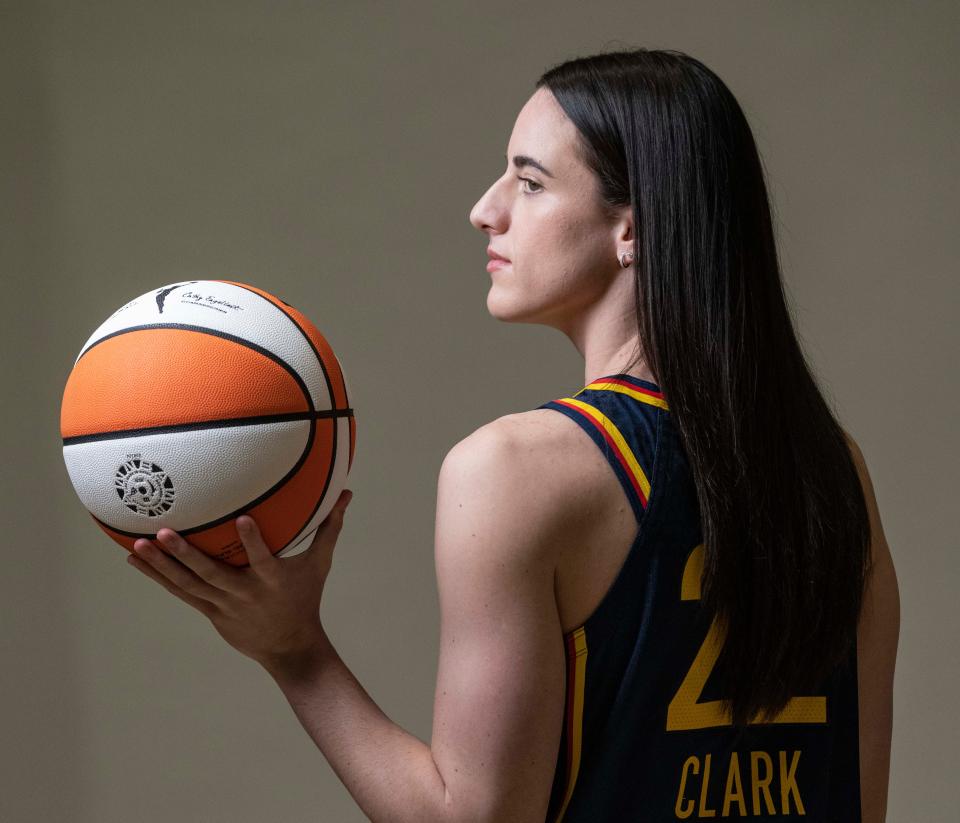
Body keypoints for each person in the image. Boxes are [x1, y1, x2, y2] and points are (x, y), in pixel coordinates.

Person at [127, 48, 899, 823]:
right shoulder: (835, 468)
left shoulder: (516, 470)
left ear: (631, 228)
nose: (485, 209)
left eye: (529, 183)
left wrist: (295, 651)